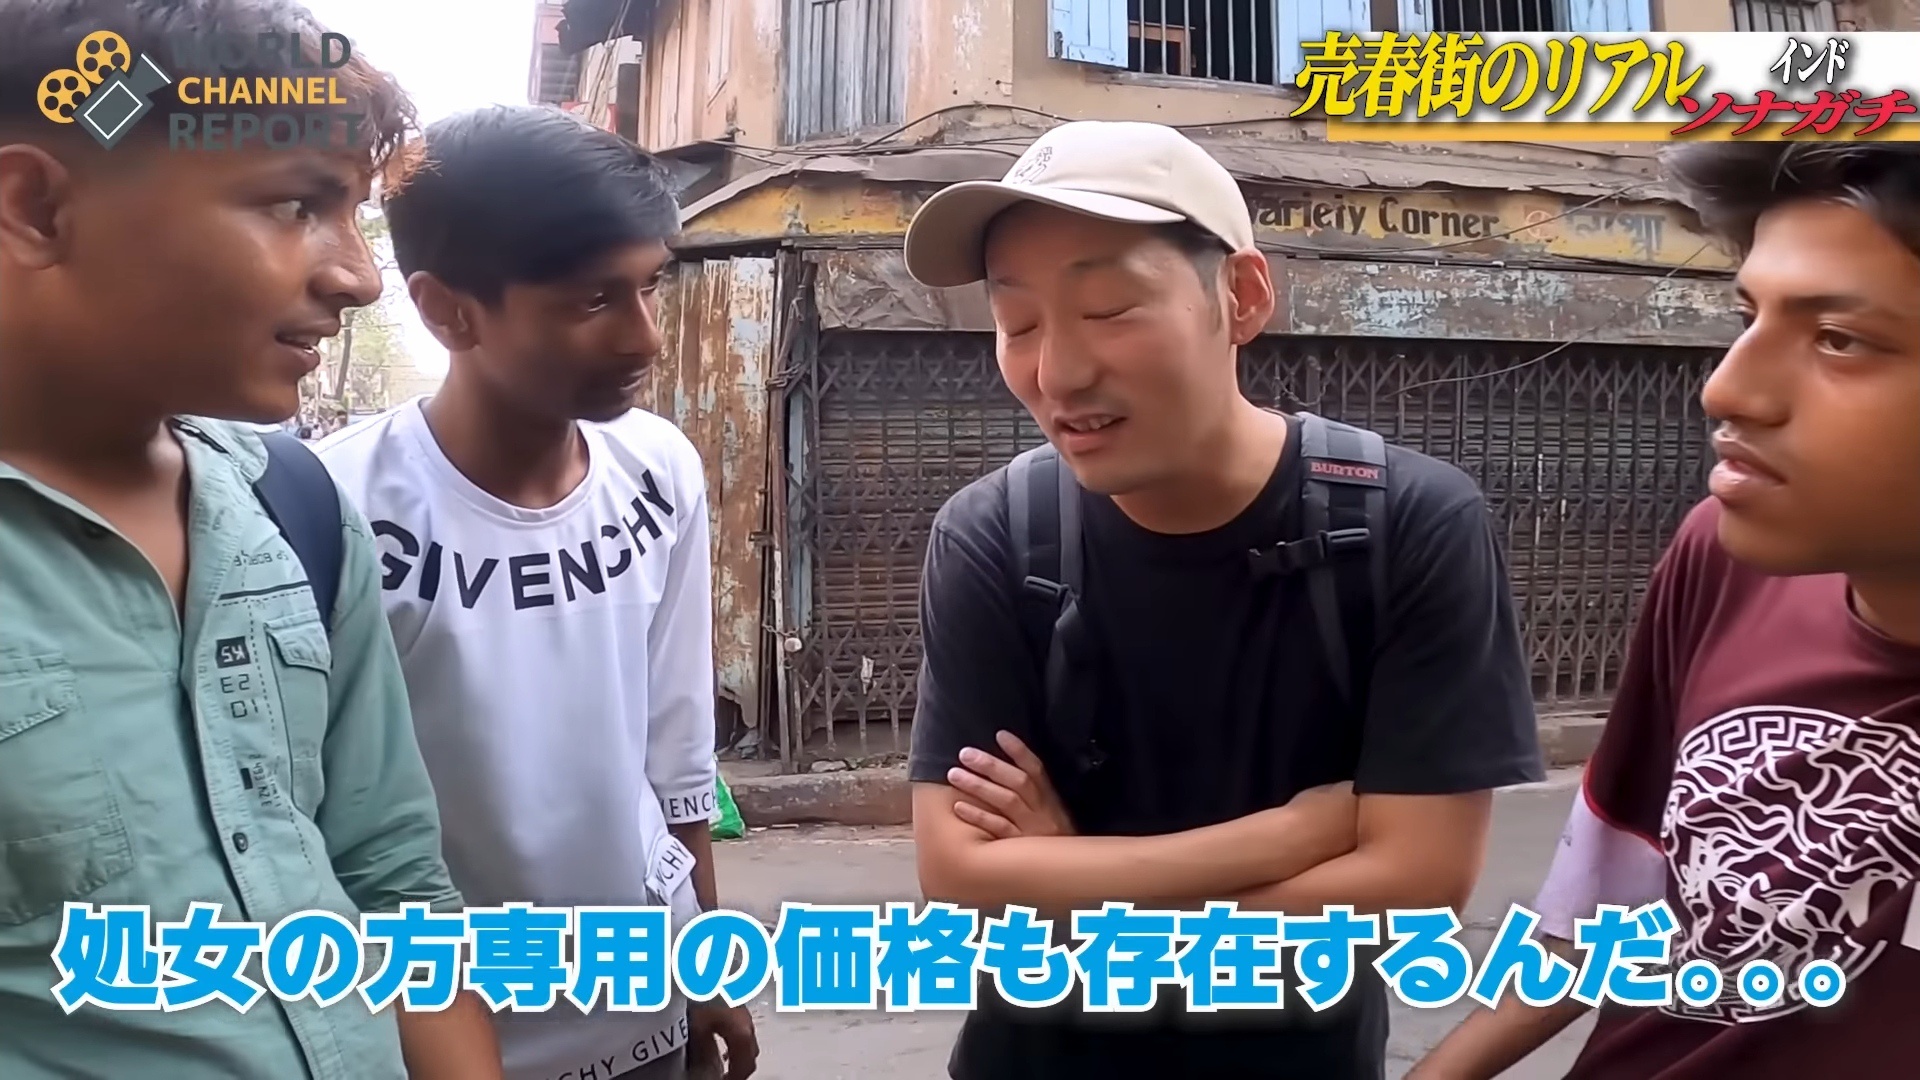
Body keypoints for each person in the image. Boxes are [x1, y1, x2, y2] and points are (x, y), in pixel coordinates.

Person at [899, 119, 1546, 1079]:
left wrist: (1071, 896)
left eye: (1109, 308)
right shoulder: (993, 535)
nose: (1057, 372)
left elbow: (1417, 891)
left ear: (1240, 297)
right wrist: (1288, 838)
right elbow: (958, 885)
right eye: (1019, 322)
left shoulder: (1409, 523)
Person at [0, 2, 502, 1078]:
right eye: (293, 204)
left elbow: (396, 889)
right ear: (39, 209)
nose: (357, 276)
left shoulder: (293, 505)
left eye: (353, 214)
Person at [1406, 141, 1920, 1080]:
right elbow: (1609, 894)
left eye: (1840, 340)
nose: (1726, 388)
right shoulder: (1723, 556)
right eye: (1747, 316)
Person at [315, 105, 758, 1080]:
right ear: (447, 311)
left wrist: (707, 962)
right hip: (447, 1040)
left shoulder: (658, 471)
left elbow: (679, 752)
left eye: (650, 286)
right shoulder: (336, 506)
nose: (645, 336)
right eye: (594, 300)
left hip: (642, 1015)